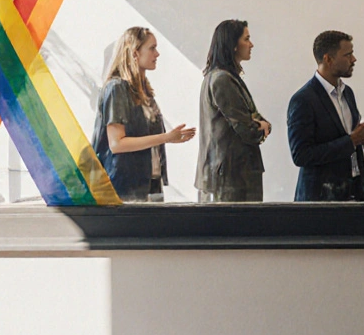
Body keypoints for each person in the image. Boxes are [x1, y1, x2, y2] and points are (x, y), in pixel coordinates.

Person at [91, 26, 196, 203]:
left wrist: (169, 138)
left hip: (150, 183)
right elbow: (117, 144)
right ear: (135, 53)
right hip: (123, 187)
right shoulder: (117, 88)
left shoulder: (144, 91)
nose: (157, 54)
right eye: (152, 48)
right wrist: (165, 137)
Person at [287, 30, 364, 202]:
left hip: (354, 192)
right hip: (320, 201)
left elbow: (345, 138)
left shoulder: (347, 93)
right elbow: (301, 155)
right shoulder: (303, 100)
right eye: (348, 55)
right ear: (328, 59)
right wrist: (351, 140)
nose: (354, 59)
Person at [196, 19, 271, 203]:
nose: (251, 44)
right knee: (235, 230)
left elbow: (252, 118)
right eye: (246, 39)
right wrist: (261, 126)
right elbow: (247, 129)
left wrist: (258, 124)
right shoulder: (222, 79)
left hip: (231, 178)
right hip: (229, 181)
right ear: (233, 45)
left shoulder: (225, 77)